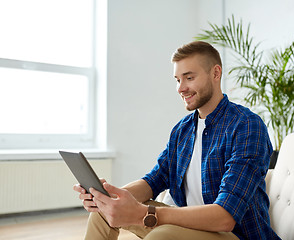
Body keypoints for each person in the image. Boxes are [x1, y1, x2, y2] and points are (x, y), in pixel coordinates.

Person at [74, 41, 281, 240]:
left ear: (216, 73)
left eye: (189, 78)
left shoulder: (246, 126)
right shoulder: (182, 130)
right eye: (177, 80)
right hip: (191, 228)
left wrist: (144, 213)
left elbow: (225, 217)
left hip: (235, 235)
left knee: (162, 235)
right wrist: (110, 197)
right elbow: (154, 180)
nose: (181, 88)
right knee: (102, 213)